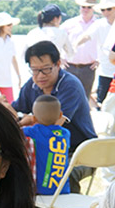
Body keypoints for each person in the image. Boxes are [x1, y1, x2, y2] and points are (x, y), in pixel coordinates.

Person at [9, 40, 97, 192]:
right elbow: (14, 108)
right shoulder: (32, 84)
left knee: (61, 174)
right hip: (46, 148)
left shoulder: (70, 85)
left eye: (46, 69)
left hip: (80, 152)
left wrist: (28, 120)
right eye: (34, 70)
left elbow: (54, 123)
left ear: (58, 64)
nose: (40, 76)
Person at [22, 95, 70, 196]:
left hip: (42, 192)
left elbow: (12, 131)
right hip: (63, 191)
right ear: (60, 115)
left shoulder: (33, 132)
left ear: (34, 118)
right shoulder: (66, 134)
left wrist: (21, 123)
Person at [62, 0, 101, 99]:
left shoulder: (99, 24)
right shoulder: (69, 23)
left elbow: (107, 44)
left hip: (89, 68)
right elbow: (57, 40)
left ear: (94, 9)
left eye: (89, 7)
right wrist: (60, 57)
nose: (85, 9)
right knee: (67, 97)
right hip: (69, 66)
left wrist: (99, 59)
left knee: (85, 98)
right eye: (83, 7)